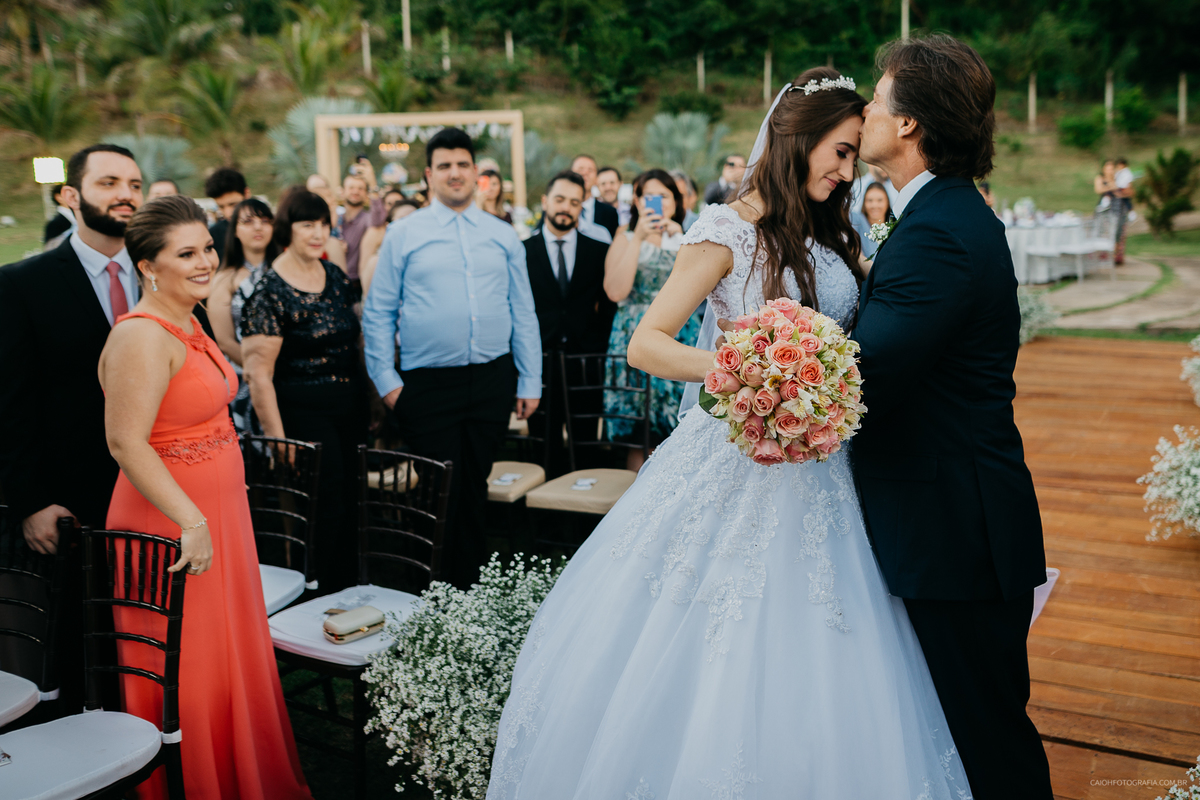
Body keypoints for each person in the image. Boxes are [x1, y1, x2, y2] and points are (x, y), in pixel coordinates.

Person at [487, 67, 972, 799]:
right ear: (798, 140)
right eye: (839, 152)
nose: (847, 172)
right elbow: (647, 344)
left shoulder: (832, 233)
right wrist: (751, 375)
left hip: (820, 464)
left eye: (852, 157)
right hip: (734, 454)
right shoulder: (727, 229)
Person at [854, 35, 1052, 799]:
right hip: (952, 522)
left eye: (877, 97)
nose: (867, 108)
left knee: (986, 744)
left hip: (955, 531)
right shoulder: (940, 213)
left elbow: (866, 375)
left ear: (909, 124)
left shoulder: (936, 230)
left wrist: (774, 368)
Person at [100, 195, 311, 800]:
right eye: (185, 253)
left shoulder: (190, 319)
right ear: (148, 265)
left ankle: (241, 772)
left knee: (226, 654)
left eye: (207, 249)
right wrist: (191, 520)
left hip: (219, 515)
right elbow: (124, 441)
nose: (204, 262)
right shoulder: (142, 336)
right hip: (172, 523)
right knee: (186, 664)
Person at [362, 127, 542, 590]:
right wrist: (387, 382)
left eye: (463, 164)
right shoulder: (403, 234)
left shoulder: (503, 235)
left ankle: (471, 591)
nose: (455, 173)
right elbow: (379, 311)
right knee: (434, 489)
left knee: (474, 485)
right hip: (425, 384)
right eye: (444, 166)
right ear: (429, 175)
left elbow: (522, 310)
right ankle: (426, 592)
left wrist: (529, 381)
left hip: (491, 379)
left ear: (476, 171)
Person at [0, 143, 143, 715]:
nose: (125, 195)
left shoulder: (161, 274)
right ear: (70, 196)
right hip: (72, 496)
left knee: (148, 619)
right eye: (108, 182)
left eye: (133, 184)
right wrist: (30, 500)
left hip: (151, 487)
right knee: (82, 636)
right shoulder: (23, 283)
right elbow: (9, 402)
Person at [241, 190, 368, 591]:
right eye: (306, 224)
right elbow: (257, 375)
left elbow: (354, 341)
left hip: (350, 405)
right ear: (287, 229)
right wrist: (277, 439)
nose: (317, 233)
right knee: (325, 505)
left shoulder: (334, 276)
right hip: (302, 411)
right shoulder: (269, 291)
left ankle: (352, 591)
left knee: (353, 500)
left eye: (323, 224)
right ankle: (320, 593)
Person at [602, 168, 702, 470]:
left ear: (676, 201)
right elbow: (615, 291)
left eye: (664, 196)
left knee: (680, 429)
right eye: (649, 197)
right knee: (639, 432)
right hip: (633, 335)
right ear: (637, 200)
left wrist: (679, 239)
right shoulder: (626, 236)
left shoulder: (689, 239)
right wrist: (639, 240)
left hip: (680, 336)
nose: (657, 202)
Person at [523, 170, 616, 472]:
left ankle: (583, 517)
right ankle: (544, 512)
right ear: (545, 201)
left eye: (574, 202)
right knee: (542, 447)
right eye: (559, 199)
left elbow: (609, 307)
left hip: (586, 362)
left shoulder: (600, 251)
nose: (565, 207)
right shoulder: (522, 251)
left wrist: (598, 350)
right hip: (540, 362)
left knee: (587, 446)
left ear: (582, 206)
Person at [207, 198, 280, 432]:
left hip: (291, 377)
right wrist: (261, 371)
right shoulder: (224, 279)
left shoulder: (285, 271)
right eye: (248, 221)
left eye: (265, 221)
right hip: (244, 378)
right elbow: (224, 340)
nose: (258, 227)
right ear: (235, 230)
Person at [359, 197, 420, 297]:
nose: (409, 224)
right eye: (402, 219)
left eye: (414, 219)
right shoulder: (377, 262)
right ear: (389, 225)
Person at [339, 168, 387, 285]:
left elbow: (379, 220)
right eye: (351, 188)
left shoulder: (368, 218)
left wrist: (373, 185)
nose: (355, 191)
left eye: (360, 188)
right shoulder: (336, 220)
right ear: (343, 192)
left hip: (358, 282)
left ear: (366, 194)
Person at [205, 167, 251, 260]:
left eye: (233, 204)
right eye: (221, 207)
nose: (228, 213)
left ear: (246, 194)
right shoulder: (213, 237)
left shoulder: (271, 229)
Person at [571, 154, 619, 239]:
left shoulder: (610, 213)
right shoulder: (559, 209)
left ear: (597, 178)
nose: (585, 173)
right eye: (580, 169)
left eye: (590, 170)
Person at [851, 181, 892, 259]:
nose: (874, 205)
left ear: (887, 202)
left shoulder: (895, 228)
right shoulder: (857, 225)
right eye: (870, 200)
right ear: (864, 203)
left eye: (880, 200)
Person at [1113, 157, 1135, 265]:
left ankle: (1118, 256)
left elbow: (1129, 189)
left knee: (1120, 232)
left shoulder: (1126, 173)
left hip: (1121, 203)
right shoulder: (1118, 173)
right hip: (1115, 204)